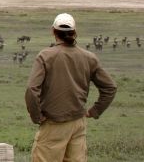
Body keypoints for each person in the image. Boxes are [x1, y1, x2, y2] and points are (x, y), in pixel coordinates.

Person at [25, 13, 117, 162]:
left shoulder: (45, 56)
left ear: (53, 31)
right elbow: (110, 87)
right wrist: (95, 111)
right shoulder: (89, 57)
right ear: (75, 33)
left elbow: (31, 89)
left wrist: (36, 116)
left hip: (53, 123)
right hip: (78, 123)